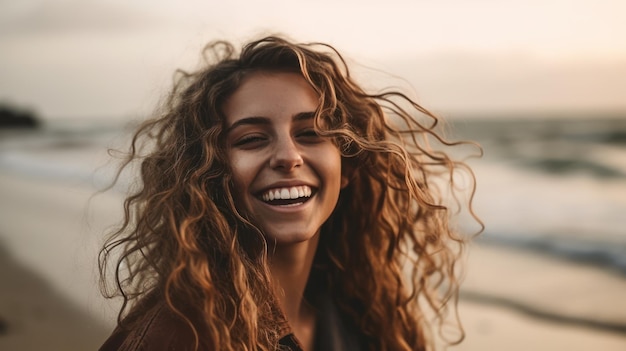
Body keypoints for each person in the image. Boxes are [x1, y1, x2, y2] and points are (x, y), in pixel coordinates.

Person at [98, 35, 480, 351]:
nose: (288, 156)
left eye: (311, 133)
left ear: (346, 166)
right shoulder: (182, 337)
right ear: (210, 172)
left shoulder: (367, 316)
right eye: (251, 139)